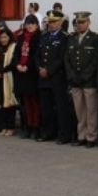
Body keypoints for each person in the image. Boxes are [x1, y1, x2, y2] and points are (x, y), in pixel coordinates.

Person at [65, 12, 98, 147]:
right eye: (78, 23)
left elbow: (95, 60)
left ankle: (91, 137)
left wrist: (85, 76)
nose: (80, 25)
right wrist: (72, 76)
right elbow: (67, 59)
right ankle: (81, 135)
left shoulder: (95, 38)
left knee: (91, 111)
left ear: (88, 23)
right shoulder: (71, 38)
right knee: (79, 110)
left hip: (89, 81)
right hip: (75, 81)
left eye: (82, 22)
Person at [36, 10, 70, 143]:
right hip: (43, 78)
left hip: (57, 77)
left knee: (61, 108)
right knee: (46, 107)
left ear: (60, 23)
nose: (51, 24)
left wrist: (49, 70)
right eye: (50, 22)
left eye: (54, 22)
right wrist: (39, 68)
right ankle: (48, 132)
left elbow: (62, 58)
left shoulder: (64, 37)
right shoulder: (44, 36)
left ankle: (64, 134)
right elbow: (37, 55)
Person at [13, 15, 41, 139]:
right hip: (21, 74)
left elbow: (36, 55)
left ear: (37, 25)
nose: (29, 26)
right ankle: (28, 126)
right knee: (25, 103)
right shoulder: (21, 38)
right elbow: (16, 54)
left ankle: (36, 127)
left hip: (32, 73)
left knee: (35, 102)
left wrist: (27, 66)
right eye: (28, 23)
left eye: (32, 23)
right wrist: (17, 64)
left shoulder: (39, 37)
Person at [0, 29, 18, 136]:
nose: (3, 39)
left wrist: (1, 72)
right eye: (1, 37)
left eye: (5, 37)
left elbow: (13, 63)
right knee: (0, 102)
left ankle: (10, 127)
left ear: (9, 37)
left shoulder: (14, 47)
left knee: (9, 102)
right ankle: (3, 126)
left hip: (9, 78)